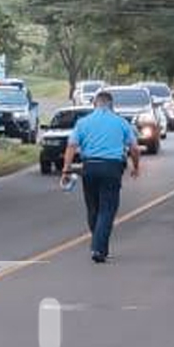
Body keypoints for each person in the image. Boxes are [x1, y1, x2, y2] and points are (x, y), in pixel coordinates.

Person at [59, 90, 141, 263]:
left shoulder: (83, 123)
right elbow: (134, 148)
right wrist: (136, 166)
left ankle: (99, 245)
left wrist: (66, 170)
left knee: (93, 208)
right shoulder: (121, 123)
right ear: (111, 105)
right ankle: (98, 248)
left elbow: (71, 146)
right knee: (107, 209)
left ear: (95, 104)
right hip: (112, 168)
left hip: (89, 167)